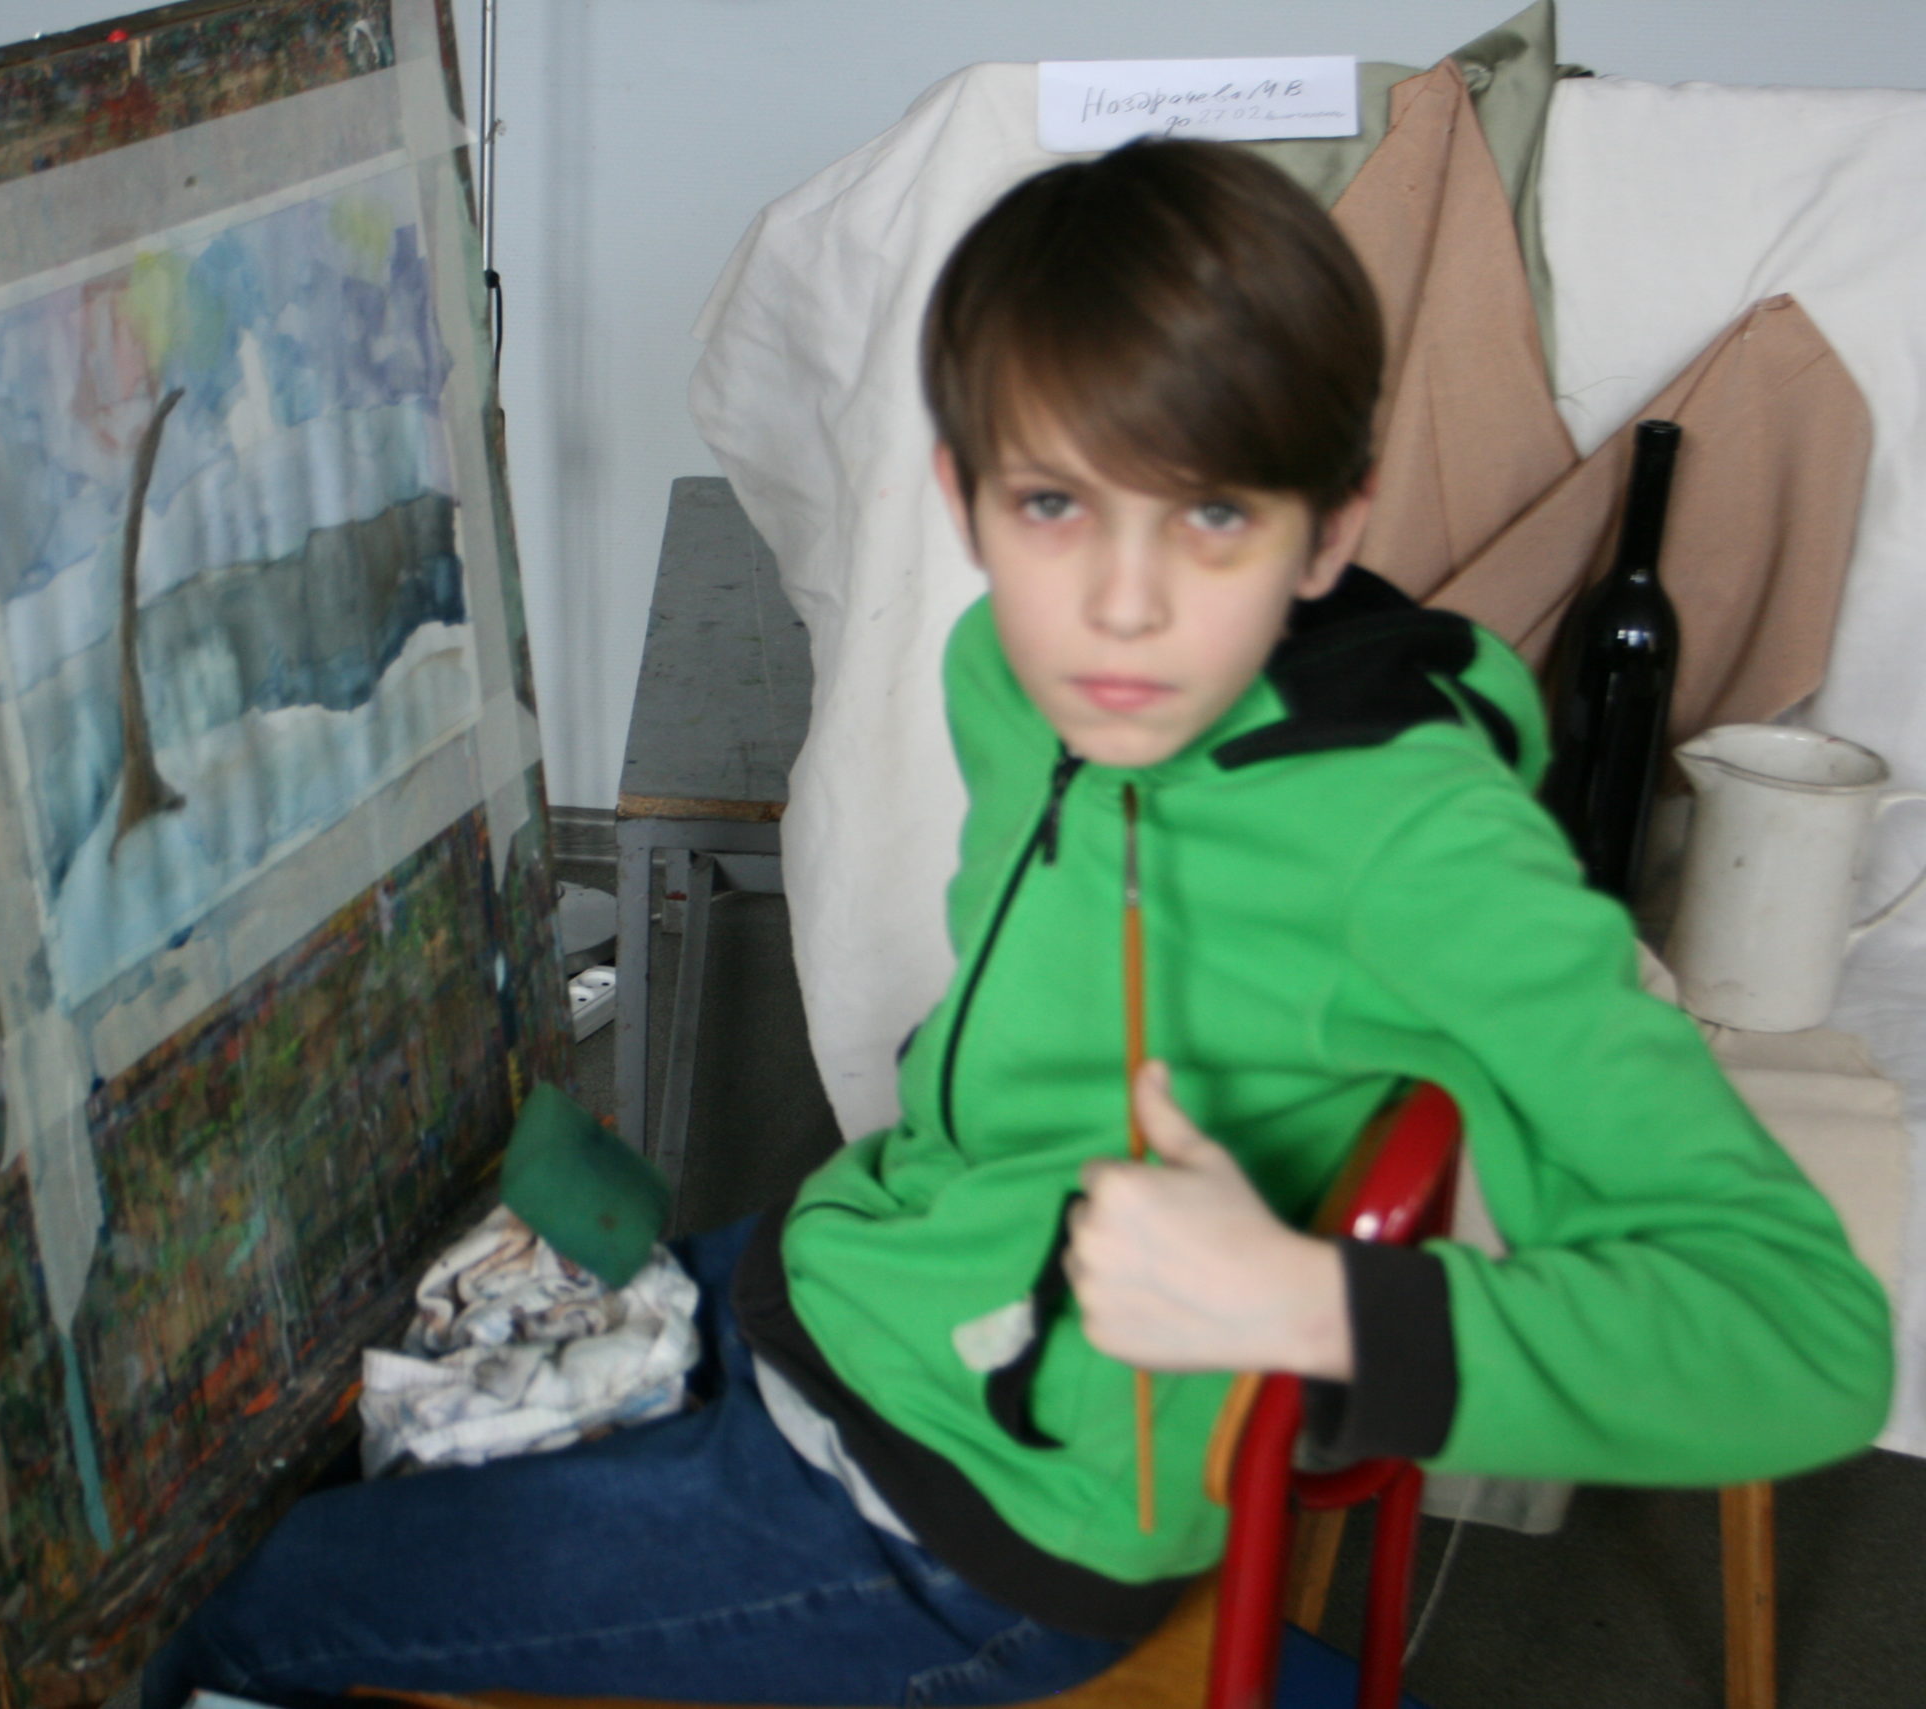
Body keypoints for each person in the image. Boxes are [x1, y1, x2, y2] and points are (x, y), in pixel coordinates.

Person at [139, 139, 1891, 1709]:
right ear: (969, 495)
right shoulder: (1010, 669)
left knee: (264, 1602)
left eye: (1213, 515)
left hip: (967, 1524)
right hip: (854, 1283)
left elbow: (1803, 1335)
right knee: (365, 1423)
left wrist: (1312, 1302)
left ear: (1327, 529)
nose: (1121, 606)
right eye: (1055, 504)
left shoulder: (1416, 848)